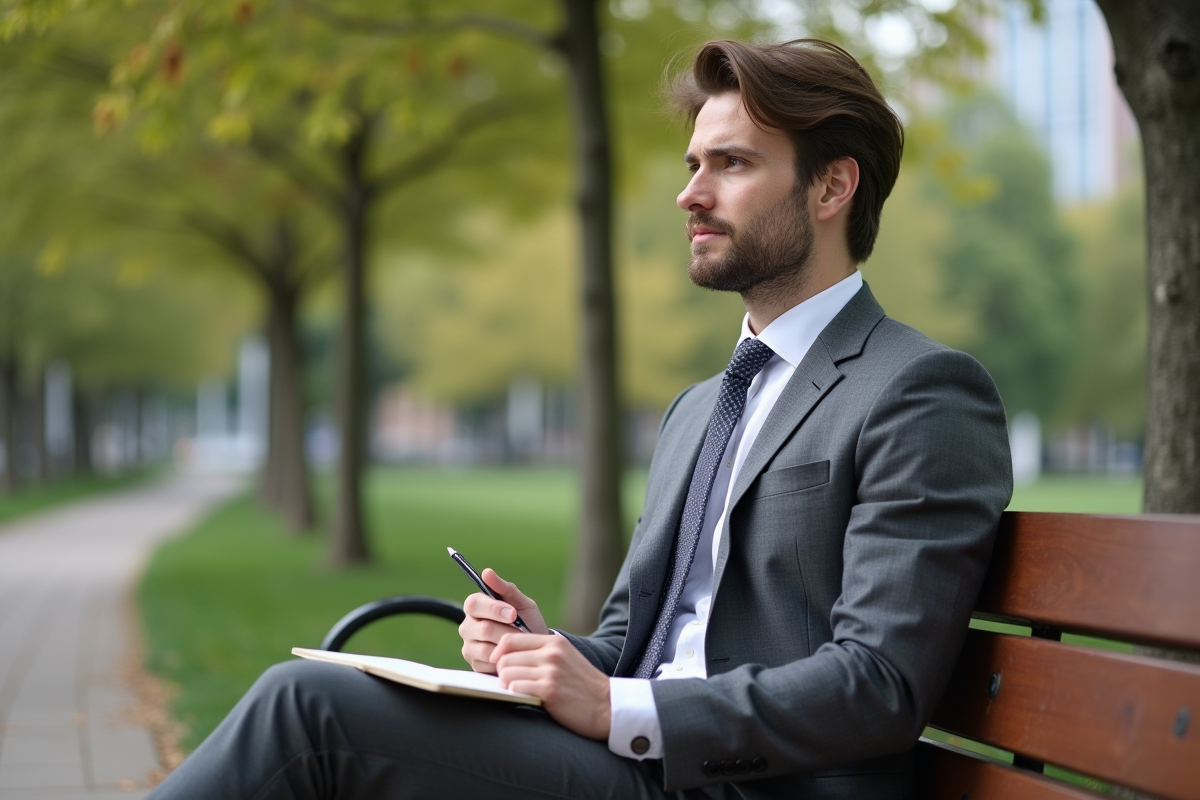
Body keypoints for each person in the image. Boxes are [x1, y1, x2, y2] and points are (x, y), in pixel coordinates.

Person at [149, 38, 1011, 800]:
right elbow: (635, 645)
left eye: (732, 165)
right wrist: (542, 652)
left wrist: (611, 705)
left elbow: (880, 685)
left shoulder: (918, 390)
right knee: (328, 700)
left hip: (750, 787)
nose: (691, 195)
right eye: (691, 165)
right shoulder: (701, 408)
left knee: (310, 714)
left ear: (832, 186)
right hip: (640, 767)